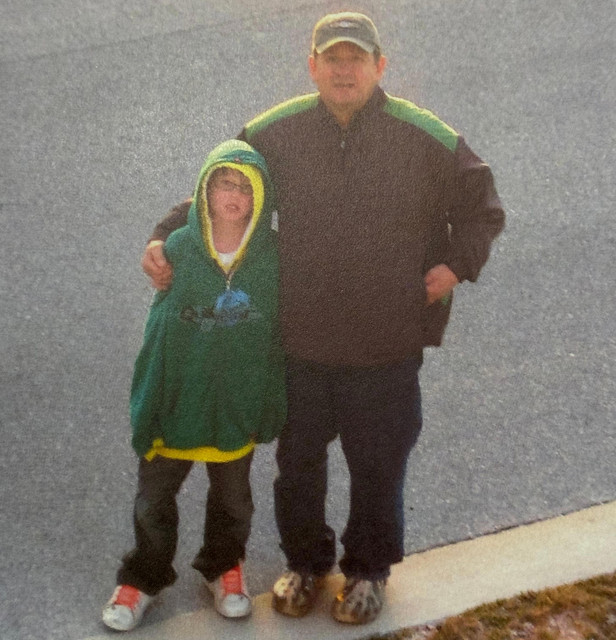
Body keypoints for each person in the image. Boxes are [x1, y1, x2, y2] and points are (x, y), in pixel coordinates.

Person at [141, 12, 505, 626]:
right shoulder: (275, 132)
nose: (343, 70)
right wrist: (162, 237)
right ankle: (306, 563)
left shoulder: (425, 136)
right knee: (298, 467)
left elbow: (483, 207)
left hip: (387, 342)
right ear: (312, 66)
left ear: (379, 66)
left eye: (355, 58)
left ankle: (368, 571)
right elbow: (219, 188)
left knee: (378, 465)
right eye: (331, 58)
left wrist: (453, 266)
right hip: (300, 342)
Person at [102, 139, 286, 631]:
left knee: (233, 499)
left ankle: (223, 566)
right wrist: (149, 399)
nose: (234, 195)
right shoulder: (178, 249)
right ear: (204, 190)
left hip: (234, 406)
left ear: (262, 198)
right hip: (177, 402)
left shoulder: (273, 258)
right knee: (153, 499)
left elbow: (275, 341)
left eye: (246, 187)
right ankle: (144, 576)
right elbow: (157, 337)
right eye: (224, 183)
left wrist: (269, 402)